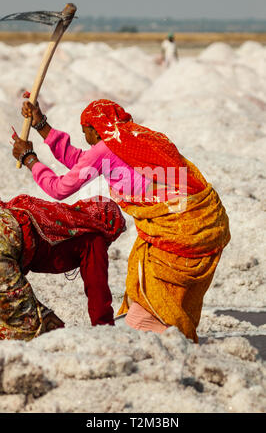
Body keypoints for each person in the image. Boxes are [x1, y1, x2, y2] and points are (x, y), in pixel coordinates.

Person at [12, 97, 230, 343]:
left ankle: (156, 334)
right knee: (147, 270)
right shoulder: (131, 138)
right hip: (205, 218)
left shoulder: (106, 148)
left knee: (155, 278)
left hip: (180, 226)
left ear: (96, 130)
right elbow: (83, 161)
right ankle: (164, 332)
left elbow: (60, 188)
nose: (86, 138)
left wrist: (30, 159)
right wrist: (42, 125)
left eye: (85, 133)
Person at [0, 191, 125, 341]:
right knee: (32, 332)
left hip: (5, 224)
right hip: (5, 243)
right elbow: (97, 289)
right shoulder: (94, 239)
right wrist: (106, 330)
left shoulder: (59, 215)